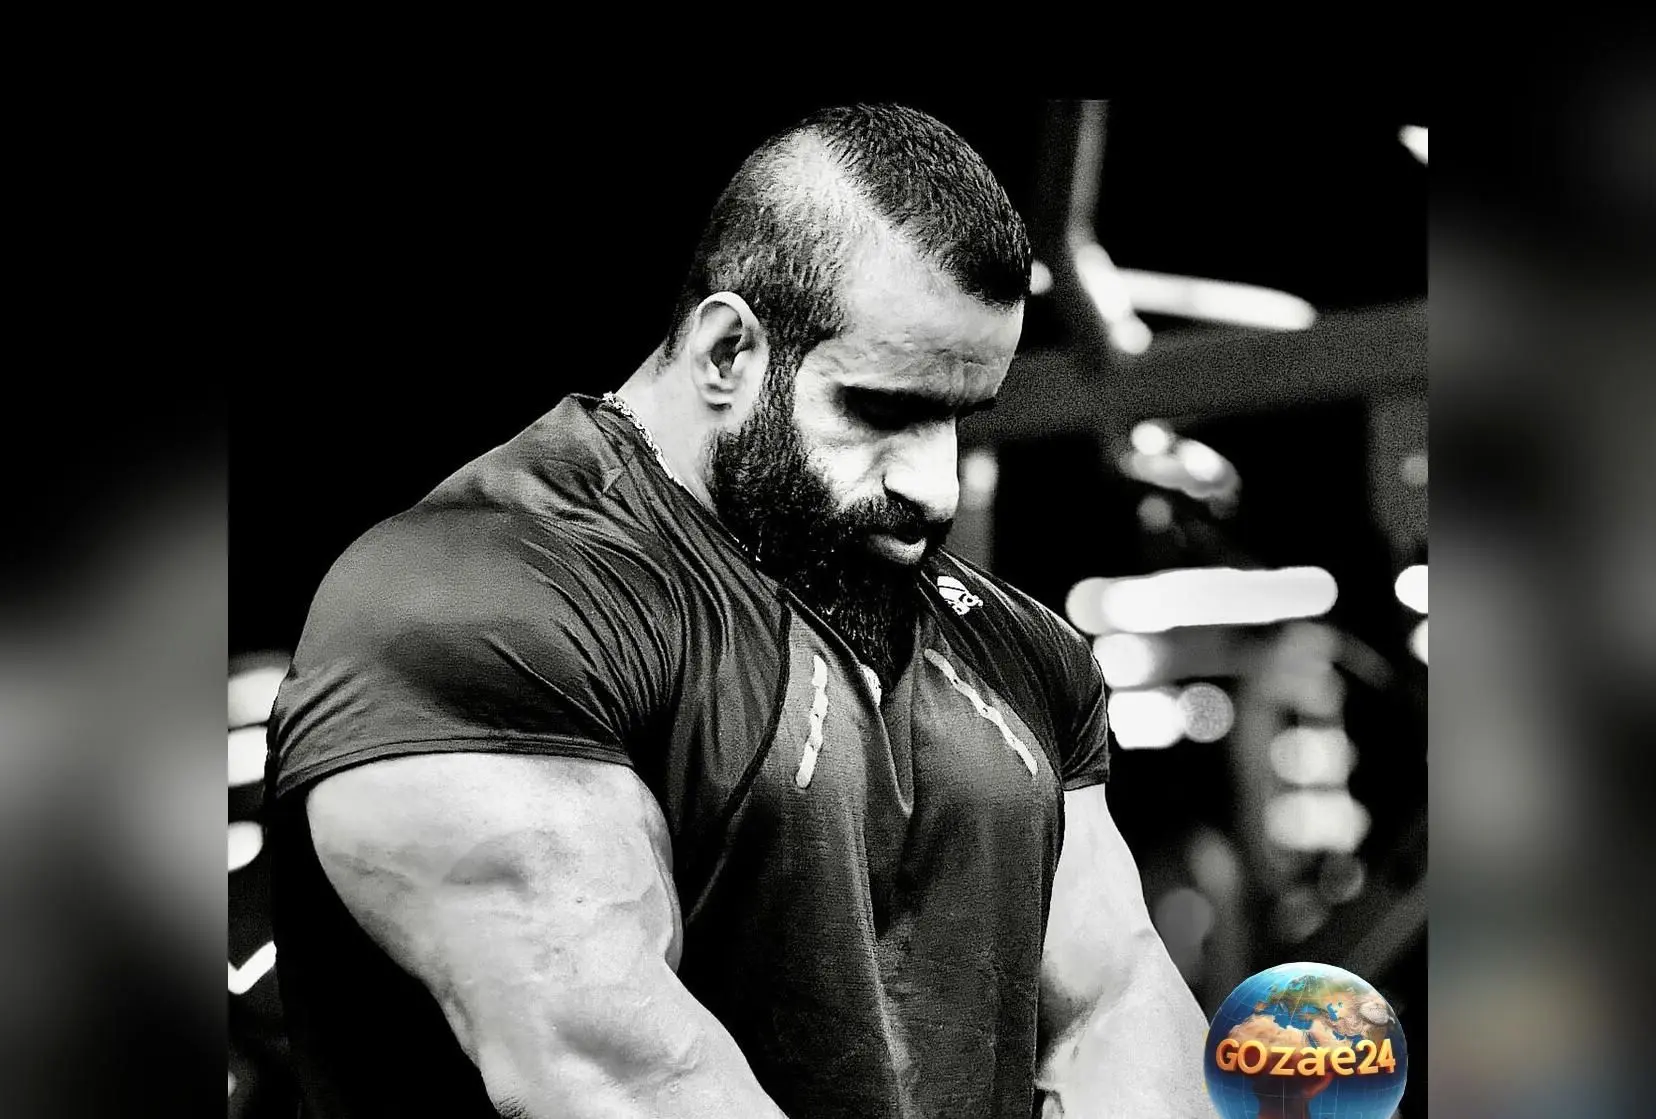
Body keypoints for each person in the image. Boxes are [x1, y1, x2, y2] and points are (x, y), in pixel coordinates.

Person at [265, 102, 1214, 1118]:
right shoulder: (479, 603)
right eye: (882, 409)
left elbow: (1112, 999)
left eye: (959, 415)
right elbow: (626, 1076)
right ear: (727, 353)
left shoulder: (1017, 651)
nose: (934, 486)